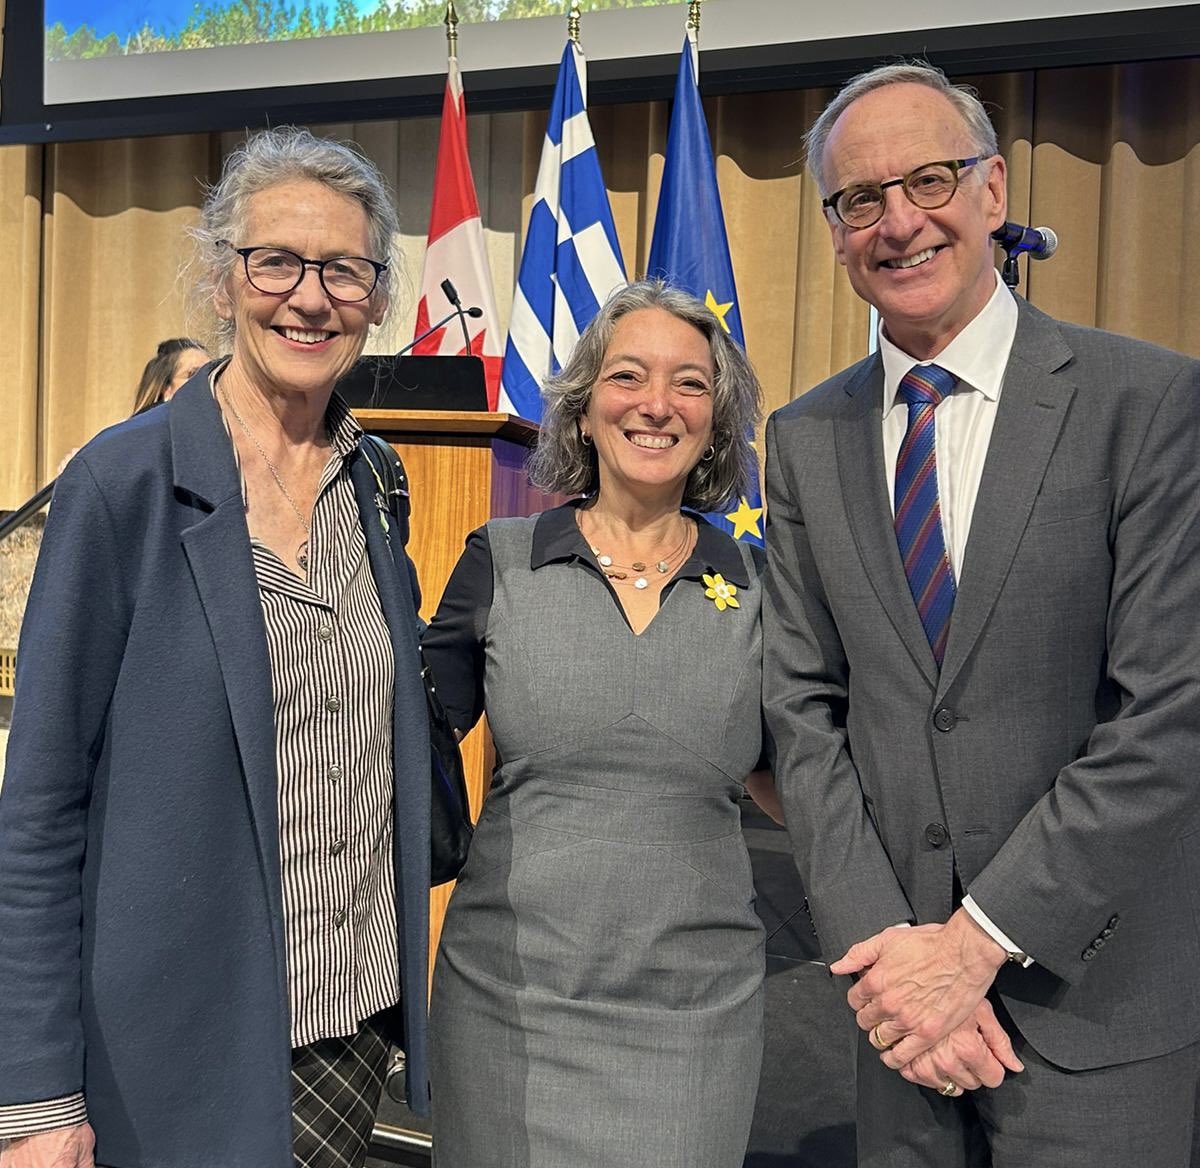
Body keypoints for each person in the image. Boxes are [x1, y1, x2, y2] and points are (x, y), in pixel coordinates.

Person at [763, 59, 1200, 1167]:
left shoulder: (1147, 405)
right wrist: (891, 958)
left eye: (930, 180)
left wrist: (979, 944)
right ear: (833, 229)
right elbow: (801, 712)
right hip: (900, 1027)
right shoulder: (804, 439)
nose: (897, 221)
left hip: (1093, 1016)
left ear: (994, 192)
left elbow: (1169, 714)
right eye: (861, 199)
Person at [0, 126, 431, 1168]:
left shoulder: (376, 483)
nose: (309, 296)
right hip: (175, 1046)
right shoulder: (124, 484)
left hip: (349, 1033)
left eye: (344, 269)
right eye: (276, 261)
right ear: (222, 278)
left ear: (378, 297)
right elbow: (39, 814)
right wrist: (37, 1100)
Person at [423, 279, 777, 1166]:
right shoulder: (499, 563)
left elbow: (807, 780)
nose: (657, 405)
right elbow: (394, 745)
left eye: (690, 384)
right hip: (510, 1016)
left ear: (715, 423)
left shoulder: (767, 587)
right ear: (583, 410)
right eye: (628, 375)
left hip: (695, 1028)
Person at [131, 336, 212, 414]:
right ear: (166, 388)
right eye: (193, 374)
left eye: (211, 372)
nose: (206, 380)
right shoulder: (144, 426)